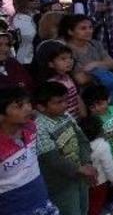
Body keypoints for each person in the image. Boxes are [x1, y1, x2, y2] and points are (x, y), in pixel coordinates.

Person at [34, 81, 96, 215]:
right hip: (61, 185)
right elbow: (52, 159)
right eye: (58, 102)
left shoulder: (66, 116)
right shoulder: (39, 127)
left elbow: (82, 140)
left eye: (65, 100)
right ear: (41, 107)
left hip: (81, 175)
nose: (65, 105)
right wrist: (81, 169)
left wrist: (87, 163)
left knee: (83, 209)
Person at [0, 87, 61, 215]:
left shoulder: (31, 126)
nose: (28, 108)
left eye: (28, 103)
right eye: (18, 106)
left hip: (41, 199)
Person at [81, 85, 113, 210]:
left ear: (108, 99)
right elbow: (100, 137)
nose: (97, 108)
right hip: (105, 155)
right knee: (108, 179)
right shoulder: (93, 121)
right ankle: (110, 200)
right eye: (92, 106)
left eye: (100, 104)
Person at [58, 15, 113, 106]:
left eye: (90, 27)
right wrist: (102, 72)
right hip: (86, 98)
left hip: (106, 93)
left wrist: (95, 64)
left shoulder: (95, 44)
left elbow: (112, 63)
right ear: (70, 31)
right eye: (83, 28)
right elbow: (80, 79)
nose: (89, 31)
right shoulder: (67, 52)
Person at [77, 116, 113, 215]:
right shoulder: (103, 146)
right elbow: (108, 166)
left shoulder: (79, 146)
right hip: (100, 182)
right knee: (97, 203)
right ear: (100, 130)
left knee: (89, 203)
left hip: (85, 182)